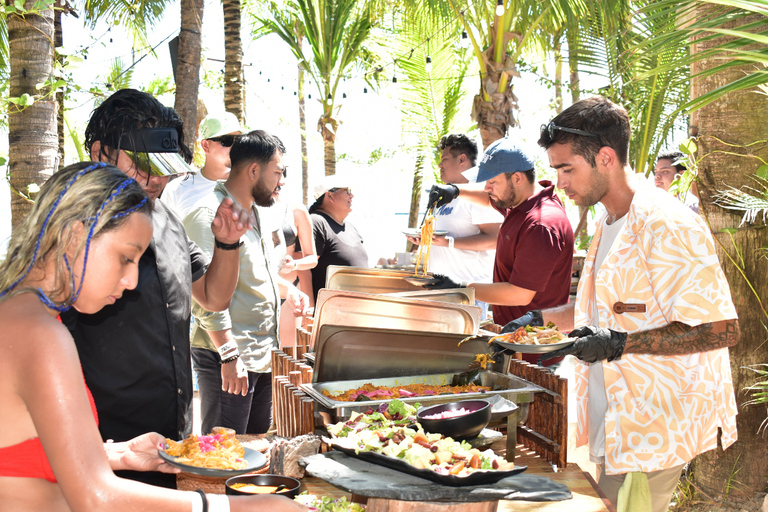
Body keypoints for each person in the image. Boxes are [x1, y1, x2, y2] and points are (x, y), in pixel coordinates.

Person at [0, 162, 306, 512]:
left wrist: (118, 454)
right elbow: (96, 499)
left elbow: (20, 455)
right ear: (74, 236)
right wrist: (235, 507)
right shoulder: (41, 334)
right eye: (126, 258)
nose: (131, 281)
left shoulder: (16, 312)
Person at [507, 96, 738, 511]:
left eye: (566, 169)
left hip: (654, 426)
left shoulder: (666, 222)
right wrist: (538, 318)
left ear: (606, 157)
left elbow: (720, 329)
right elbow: (608, 311)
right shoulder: (610, 219)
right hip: (615, 420)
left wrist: (618, 345)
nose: (559, 182)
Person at [61, 88, 250, 488]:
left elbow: (212, 297)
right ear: (100, 152)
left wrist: (228, 242)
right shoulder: (69, 227)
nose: (156, 179)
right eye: (143, 164)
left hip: (163, 443)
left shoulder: (165, 218)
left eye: (164, 166)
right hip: (98, 446)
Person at [184, 130, 310, 435]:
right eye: (278, 172)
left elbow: (255, 274)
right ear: (254, 170)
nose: (282, 181)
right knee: (223, 455)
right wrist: (229, 353)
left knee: (255, 448)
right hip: (228, 357)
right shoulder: (208, 215)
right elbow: (204, 294)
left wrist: (289, 290)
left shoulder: (256, 214)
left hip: (262, 353)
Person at [424, 138, 574, 364]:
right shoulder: (521, 203)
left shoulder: (541, 224)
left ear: (517, 178)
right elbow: (487, 198)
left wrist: (462, 288)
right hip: (513, 339)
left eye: (492, 181)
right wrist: (455, 191)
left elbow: (520, 293)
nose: (486, 188)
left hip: (534, 350)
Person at [405, 134, 502, 319]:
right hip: (438, 291)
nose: (440, 165)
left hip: (467, 295)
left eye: (444, 160)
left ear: (462, 160)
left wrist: (449, 242)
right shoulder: (445, 197)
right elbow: (440, 238)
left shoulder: (481, 195)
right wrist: (424, 238)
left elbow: (494, 239)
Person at [161, 111, 245, 220]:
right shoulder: (177, 189)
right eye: (227, 141)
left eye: (238, 140)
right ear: (206, 146)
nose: (235, 147)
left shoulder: (251, 186)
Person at [308, 176, 369, 304]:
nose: (351, 195)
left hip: (357, 311)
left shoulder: (350, 226)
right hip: (331, 314)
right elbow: (303, 271)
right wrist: (309, 312)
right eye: (347, 191)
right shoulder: (316, 222)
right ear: (329, 196)